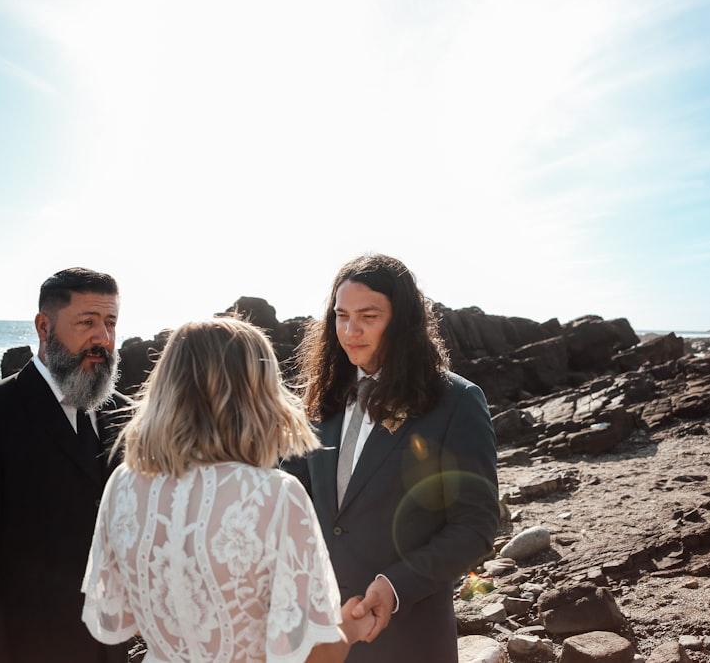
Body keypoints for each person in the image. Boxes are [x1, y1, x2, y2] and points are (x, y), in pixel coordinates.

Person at [80, 316, 374, 663]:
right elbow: (316, 656)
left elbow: (126, 615)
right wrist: (354, 628)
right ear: (257, 393)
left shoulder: (124, 484)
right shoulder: (276, 496)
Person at [282, 253, 501, 662]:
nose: (351, 330)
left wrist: (397, 585)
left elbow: (476, 524)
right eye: (341, 315)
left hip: (409, 636)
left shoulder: (456, 401)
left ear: (401, 321)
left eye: (369, 316)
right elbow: (290, 496)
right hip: (321, 632)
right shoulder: (319, 397)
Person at [0, 267, 133, 663]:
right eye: (87, 322)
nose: (102, 339)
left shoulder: (123, 415)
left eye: (110, 323)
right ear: (44, 326)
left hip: (110, 650)